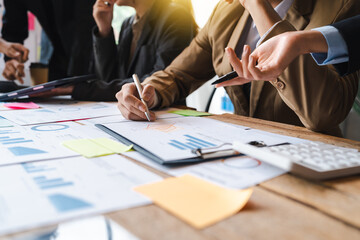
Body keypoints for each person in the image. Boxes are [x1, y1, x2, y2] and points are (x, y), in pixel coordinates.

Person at [116, 0, 360, 137]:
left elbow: (323, 113)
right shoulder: (227, 10)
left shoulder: (341, 6)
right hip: (241, 149)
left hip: (310, 157)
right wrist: (148, 92)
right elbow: (180, 73)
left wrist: (258, 6)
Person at [60, 0, 197, 101]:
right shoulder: (128, 24)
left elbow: (156, 82)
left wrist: (78, 89)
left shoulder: (176, 17)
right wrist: (104, 30)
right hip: (128, 115)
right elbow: (108, 80)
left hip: (162, 116)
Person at [216, 14, 360, 87]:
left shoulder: (338, 6)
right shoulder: (226, 11)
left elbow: (321, 116)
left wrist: (256, 4)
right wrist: (298, 41)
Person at [2, 0, 96, 82]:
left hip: (91, 56)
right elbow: (13, 28)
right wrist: (12, 59)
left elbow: (85, 25)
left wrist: (77, 83)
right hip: (56, 57)